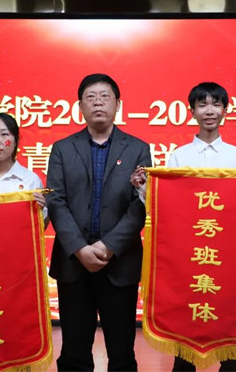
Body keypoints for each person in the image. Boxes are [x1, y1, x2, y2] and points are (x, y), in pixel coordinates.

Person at [130, 81, 236, 372]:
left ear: (225, 111)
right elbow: (164, 206)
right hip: (188, 259)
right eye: (202, 104)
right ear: (192, 111)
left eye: (216, 104)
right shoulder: (179, 156)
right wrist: (142, 188)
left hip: (226, 259)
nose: (209, 111)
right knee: (186, 335)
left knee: (229, 335)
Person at [46, 73, 152, 371]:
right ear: (80, 106)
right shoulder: (62, 148)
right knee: (74, 353)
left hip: (119, 263)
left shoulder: (138, 149)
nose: (98, 103)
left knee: (122, 353)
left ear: (118, 104)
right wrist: (80, 248)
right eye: (90, 97)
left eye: (105, 96)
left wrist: (108, 246)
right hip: (73, 264)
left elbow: (140, 204)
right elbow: (56, 201)